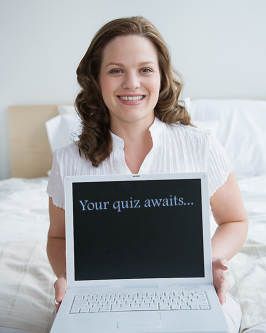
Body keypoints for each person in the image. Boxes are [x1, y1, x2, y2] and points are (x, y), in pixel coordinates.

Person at [46, 16, 248, 333]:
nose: (132, 83)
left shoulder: (201, 146)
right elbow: (58, 237)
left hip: (189, 293)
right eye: (116, 70)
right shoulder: (68, 162)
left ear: (162, 77)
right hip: (100, 298)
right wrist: (69, 278)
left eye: (145, 69)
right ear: (96, 79)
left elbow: (235, 221)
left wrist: (204, 262)